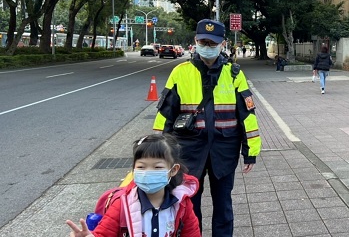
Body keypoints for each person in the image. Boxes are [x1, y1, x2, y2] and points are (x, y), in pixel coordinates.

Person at [152, 19, 262, 236]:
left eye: (213, 43)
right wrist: (156, 153)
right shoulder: (180, 72)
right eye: (204, 42)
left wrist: (251, 152)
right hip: (188, 150)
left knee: (224, 206)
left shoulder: (234, 73)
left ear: (222, 44)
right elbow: (164, 116)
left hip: (225, 149)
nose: (208, 47)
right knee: (189, 206)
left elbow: (247, 115)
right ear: (195, 41)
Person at [66, 134, 201, 237]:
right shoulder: (122, 204)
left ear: (173, 170)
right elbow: (104, 233)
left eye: (157, 167)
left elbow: (192, 233)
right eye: (141, 166)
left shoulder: (182, 204)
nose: (148, 172)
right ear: (133, 169)